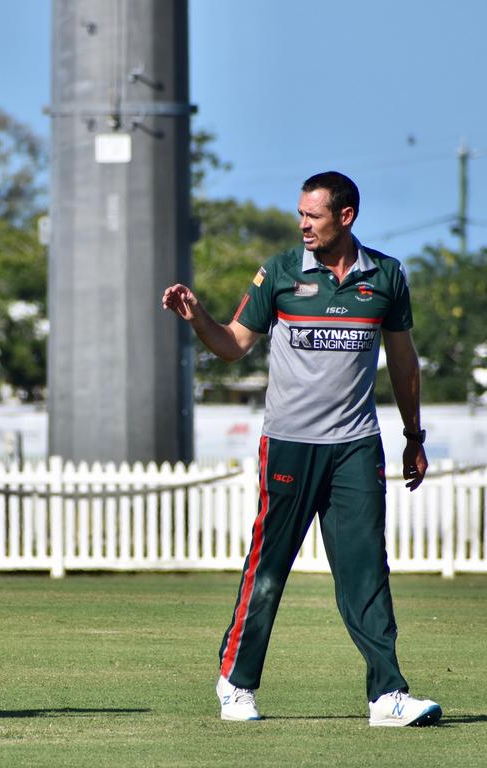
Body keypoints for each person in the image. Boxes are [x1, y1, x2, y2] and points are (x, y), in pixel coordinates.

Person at [161, 171, 441, 727]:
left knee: (367, 573)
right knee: (268, 569)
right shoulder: (282, 271)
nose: (302, 224)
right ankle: (236, 684)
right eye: (300, 214)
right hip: (288, 446)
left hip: (356, 448)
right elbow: (234, 346)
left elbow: (404, 363)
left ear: (346, 216)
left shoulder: (386, 276)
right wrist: (198, 320)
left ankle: (387, 696)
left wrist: (413, 436)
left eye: (312, 215)